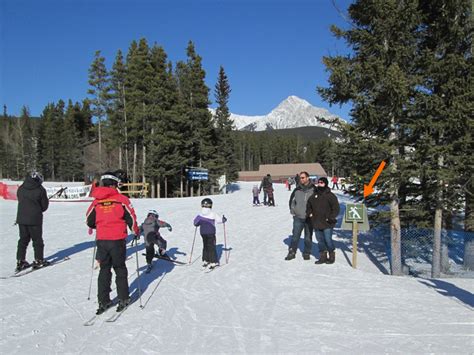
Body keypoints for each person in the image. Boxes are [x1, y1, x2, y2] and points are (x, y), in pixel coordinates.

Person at [86, 171, 139, 314]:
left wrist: (97, 225)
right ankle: (123, 298)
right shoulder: (122, 199)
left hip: (102, 240)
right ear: (115, 184)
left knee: (104, 269)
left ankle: (103, 301)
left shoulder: (97, 201)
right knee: (120, 268)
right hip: (117, 240)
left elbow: (89, 220)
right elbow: (131, 218)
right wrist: (136, 231)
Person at [15, 171, 50, 272]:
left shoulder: (21, 188)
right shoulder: (40, 189)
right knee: (37, 240)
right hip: (34, 219)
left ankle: (20, 260)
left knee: (23, 240)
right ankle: (39, 260)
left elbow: (20, 199)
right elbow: (44, 206)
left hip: (21, 219)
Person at [307, 177, 340, 264]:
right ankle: (323, 256)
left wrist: (331, 217)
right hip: (317, 222)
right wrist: (310, 214)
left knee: (328, 240)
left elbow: (336, 208)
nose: (320, 184)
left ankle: (331, 255)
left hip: (327, 223)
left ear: (325, 183)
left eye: (322, 182)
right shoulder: (314, 195)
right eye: (319, 182)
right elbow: (309, 206)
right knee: (320, 241)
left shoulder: (330, 196)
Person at [285, 171, 316, 261]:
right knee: (295, 235)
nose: (301, 179)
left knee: (308, 236)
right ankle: (292, 251)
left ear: (307, 178)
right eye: (300, 178)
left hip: (309, 218)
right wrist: (293, 211)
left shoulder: (314, 189)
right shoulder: (297, 189)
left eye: (303, 178)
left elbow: (318, 203)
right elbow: (292, 201)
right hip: (298, 217)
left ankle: (307, 252)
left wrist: (315, 213)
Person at [193, 198, 227, 269]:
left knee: (205, 246)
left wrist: (197, 224)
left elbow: (195, 223)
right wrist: (224, 219)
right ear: (211, 205)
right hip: (211, 233)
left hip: (203, 233)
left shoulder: (200, 214)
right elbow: (219, 220)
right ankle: (213, 261)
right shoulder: (213, 214)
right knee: (211, 246)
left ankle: (206, 260)